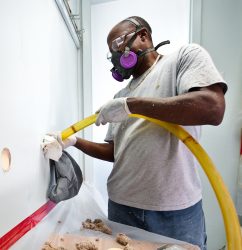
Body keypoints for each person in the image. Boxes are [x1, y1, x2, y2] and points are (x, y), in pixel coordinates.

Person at [45, 16, 227, 250]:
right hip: (122, 207)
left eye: (118, 43)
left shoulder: (182, 59)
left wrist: (130, 105)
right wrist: (74, 141)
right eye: (110, 51)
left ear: (143, 36)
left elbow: (212, 108)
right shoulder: (120, 95)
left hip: (174, 211)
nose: (115, 54)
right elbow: (114, 152)